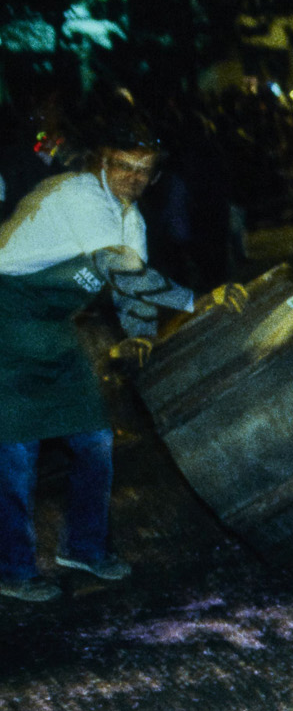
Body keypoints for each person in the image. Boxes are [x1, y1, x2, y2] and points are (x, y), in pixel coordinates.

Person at [0, 122, 198, 601]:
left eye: (142, 171)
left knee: (94, 440)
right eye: (122, 165)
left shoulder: (132, 220)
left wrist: (141, 338)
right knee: (16, 453)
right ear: (103, 163)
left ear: (154, 178)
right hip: (7, 319)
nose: (130, 177)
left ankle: (84, 547)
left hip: (53, 328)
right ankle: (14, 569)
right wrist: (198, 301)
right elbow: (122, 271)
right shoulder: (81, 196)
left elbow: (134, 295)